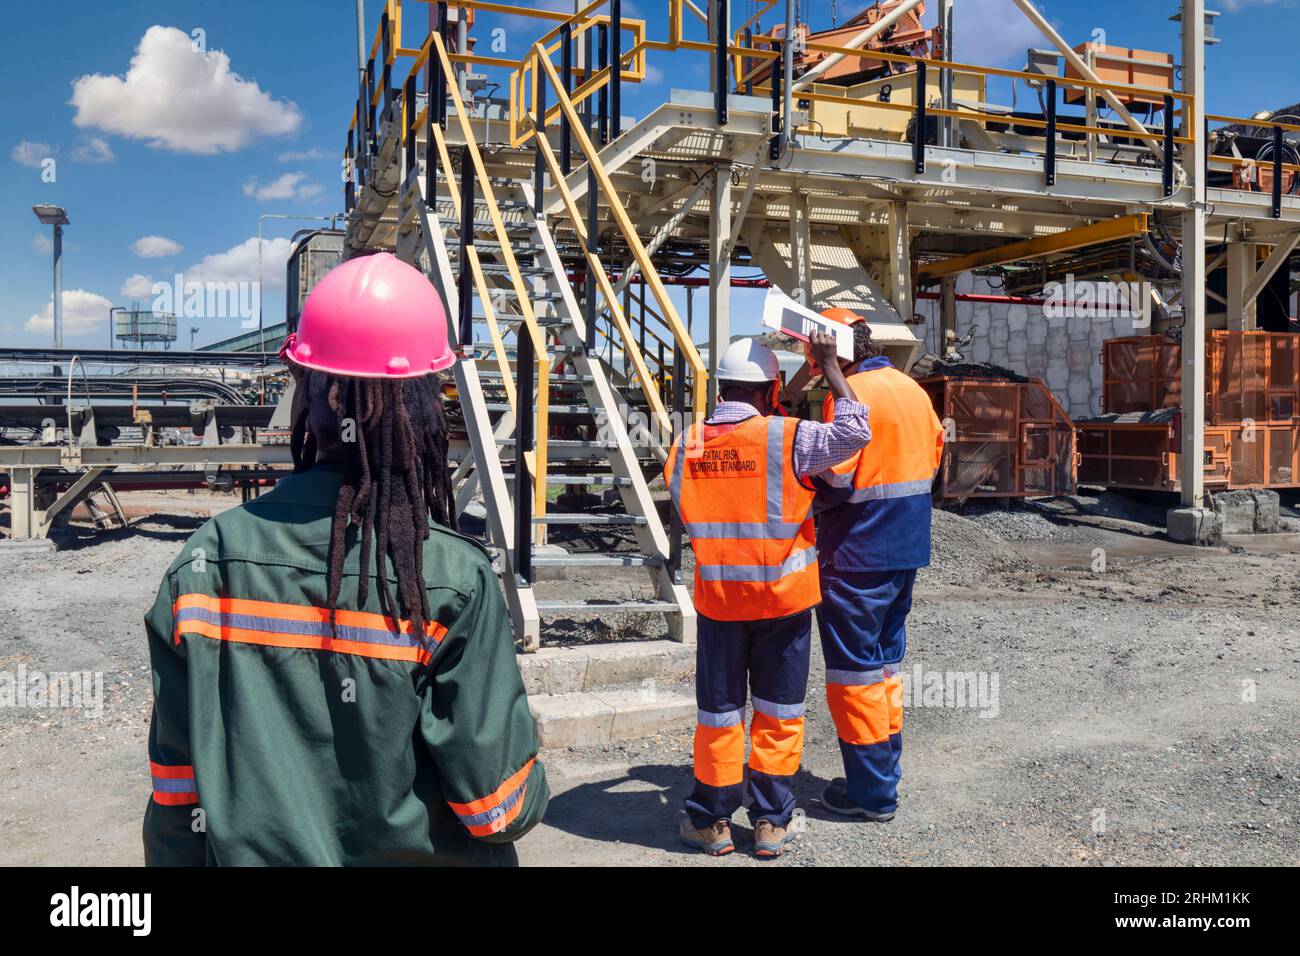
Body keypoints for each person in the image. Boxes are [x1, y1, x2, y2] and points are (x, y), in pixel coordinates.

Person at [142, 252, 548, 865]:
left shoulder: (205, 561)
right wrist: (526, 745)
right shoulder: (450, 580)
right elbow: (498, 810)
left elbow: (177, 792)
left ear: (306, 393)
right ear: (424, 406)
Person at [664, 331, 871, 858]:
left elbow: (691, 511)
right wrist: (828, 366)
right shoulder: (789, 437)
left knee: (719, 715)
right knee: (778, 714)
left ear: (722, 389)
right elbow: (856, 429)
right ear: (769, 389)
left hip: (719, 607)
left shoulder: (684, 445)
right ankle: (770, 824)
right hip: (781, 605)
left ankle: (710, 821)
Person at [811, 309, 944, 822]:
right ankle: (882, 775)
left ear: (833, 353)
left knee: (854, 674)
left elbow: (836, 479)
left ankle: (872, 795)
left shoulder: (848, 397)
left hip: (856, 554)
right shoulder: (911, 390)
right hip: (905, 549)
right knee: (886, 668)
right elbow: (930, 463)